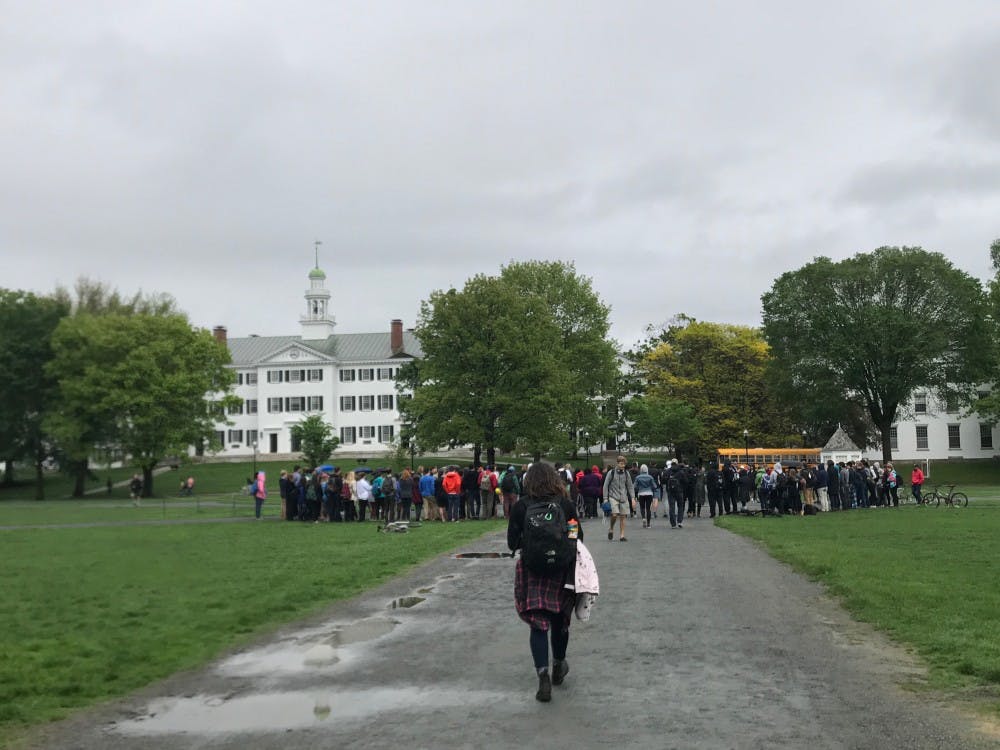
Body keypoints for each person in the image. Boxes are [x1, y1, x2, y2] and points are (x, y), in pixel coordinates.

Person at [506, 462, 582, 702]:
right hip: (561, 567)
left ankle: (542, 675)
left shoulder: (521, 507)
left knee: (538, 623)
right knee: (560, 619)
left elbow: (512, 542)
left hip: (533, 569)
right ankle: (559, 661)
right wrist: (566, 545)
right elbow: (576, 533)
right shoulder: (565, 504)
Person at [602, 455, 635, 541]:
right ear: (617, 463)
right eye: (621, 464)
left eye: (624, 464)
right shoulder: (611, 473)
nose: (622, 466)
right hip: (613, 497)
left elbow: (630, 486)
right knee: (614, 514)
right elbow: (605, 486)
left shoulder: (627, 473)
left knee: (623, 516)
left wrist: (633, 498)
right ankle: (611, 528)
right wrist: (605, 498)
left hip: (624, 497)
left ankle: (622, 535)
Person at [633, 464, 658, 528]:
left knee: (642, 507)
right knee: (648, 508)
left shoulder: (638, 477)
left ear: (641, 470)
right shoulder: (650, 477)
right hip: (649, 493)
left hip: (641, 493)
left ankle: (643, 518)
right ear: (647, 470)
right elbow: (654, 486)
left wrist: (639, 488)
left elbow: (635, 487)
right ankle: (648, 524)